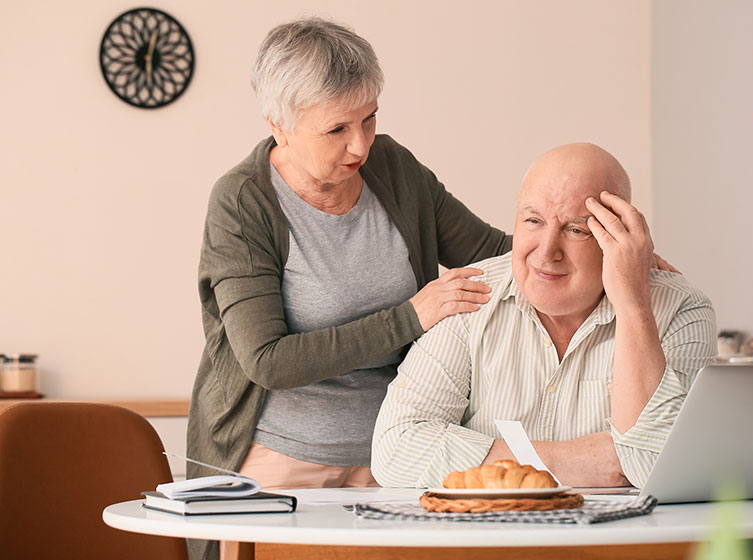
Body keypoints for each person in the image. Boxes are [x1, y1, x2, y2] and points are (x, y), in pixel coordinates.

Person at [186, 17, 511, 560]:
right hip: (275, 464)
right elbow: (268, 360)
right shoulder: (242, 202)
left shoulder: (395, 169)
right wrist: (411, 317)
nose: (360, 144)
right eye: (337, 129)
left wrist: (596, 254)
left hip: (396, 455)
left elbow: (496, 255)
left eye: (370, 118)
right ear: (279, 125)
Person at [371, 143, 717, 489]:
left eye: (576, 230)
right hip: (488, 537)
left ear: (618, 233)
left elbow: (658, 466)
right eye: (533, 220)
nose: (546, 251)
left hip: (617, 539)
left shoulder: (680, 310)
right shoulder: (468, 295)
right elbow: (395, 453)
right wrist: (580, 463)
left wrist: (633, 304)